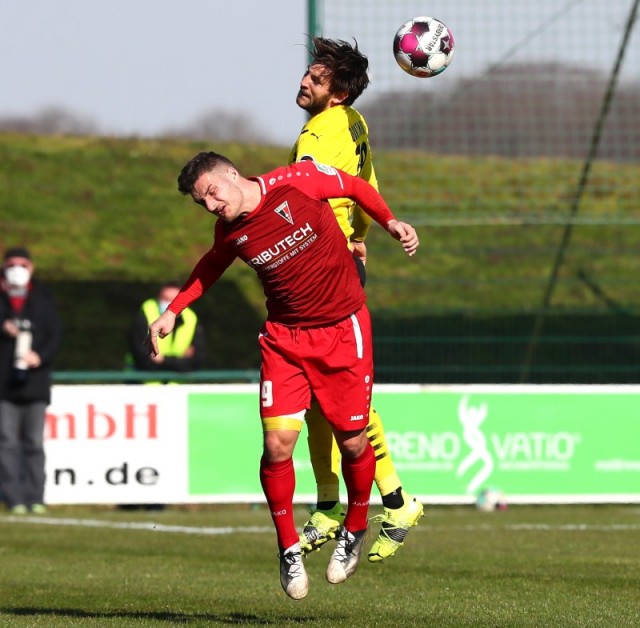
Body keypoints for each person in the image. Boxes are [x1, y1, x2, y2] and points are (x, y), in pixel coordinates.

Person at [146, 151, 419, 600]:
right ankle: (288, 547)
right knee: (276, 446)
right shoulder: (230, 232)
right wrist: (173, 310)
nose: (211, 205)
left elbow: (354, 186)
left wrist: (389, 222)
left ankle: (354, 527)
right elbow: (211, 264)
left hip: (342, 330)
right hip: (285, 340)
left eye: (212, 192)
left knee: (353, 441)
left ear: (231, 174)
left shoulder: (299, 181)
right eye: (201, 203)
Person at [289, 37, 424, 563]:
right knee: (316, 396)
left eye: (317, 79)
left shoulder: (318, 133)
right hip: (341, 260)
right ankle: (333, 505)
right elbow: (363, 181)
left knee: (341, 394)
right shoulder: (355, 123)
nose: (305, 80)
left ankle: (392, 501)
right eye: (308, 72)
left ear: (338, 92)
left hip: (323, 271)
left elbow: (304, 196)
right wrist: (363, 233)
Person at [0, 247, 63, 514]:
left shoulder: (42, 297)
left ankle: (35, 497)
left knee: (34, 443)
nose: (17, 270)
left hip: (35, 383)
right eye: (12, 265)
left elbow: (55, 334)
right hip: (4, 385)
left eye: (23, 265)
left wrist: (40, 356)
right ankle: (13, 498)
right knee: (6, 443)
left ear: (31, 268)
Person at [126, 280, 205, 381]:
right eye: (165, 299)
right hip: (143, 383)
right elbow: (141, 357)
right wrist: (179, 363)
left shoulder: (191, 318)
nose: (169, 304)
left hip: (176, 386)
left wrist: (163, 360)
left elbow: (196, 361)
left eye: (174, 300)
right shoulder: (145, 314)